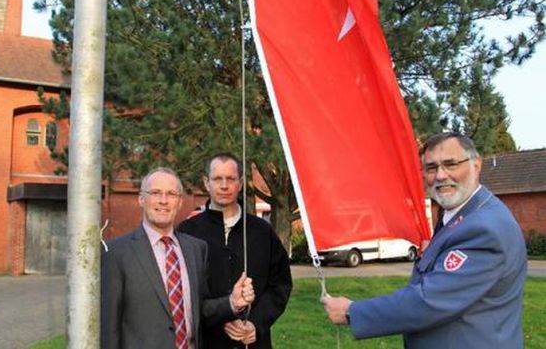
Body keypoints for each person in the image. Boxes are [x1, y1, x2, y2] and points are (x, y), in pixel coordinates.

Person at [321, 132, 527, 348]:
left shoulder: (484, 228)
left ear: (476, 165)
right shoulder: (460, 215)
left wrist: (352, 312)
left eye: (451, 164)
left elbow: (430, 301)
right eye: (431, 168)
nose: (440, 175)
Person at [101, 167, 255, 349]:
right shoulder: (116, 252)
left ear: (180, 202)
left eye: (172, 194)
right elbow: (108, 328)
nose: (164, 200)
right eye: (155, 193)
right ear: (141, 199)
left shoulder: (196, 249)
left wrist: (232, 302)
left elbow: (199, 309)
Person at [178, 153, 293, 348]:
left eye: (231, 179)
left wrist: (256, 324)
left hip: (254, 342)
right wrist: (222, 312)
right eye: (217, 179)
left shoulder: (262, 232)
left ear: (240, 183)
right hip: (207, 342)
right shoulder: (187, 232)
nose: (224, 185)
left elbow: (280, 284)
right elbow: (183, 295)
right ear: (207, 183)